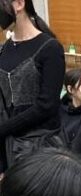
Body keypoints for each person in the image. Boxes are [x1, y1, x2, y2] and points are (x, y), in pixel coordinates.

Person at [0, 0, 65, 171]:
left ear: (19, 4)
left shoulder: (50, 48)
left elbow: (47, 106)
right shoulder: (4, 50)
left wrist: (5, 128)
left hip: (41, 149)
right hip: (7, 147)